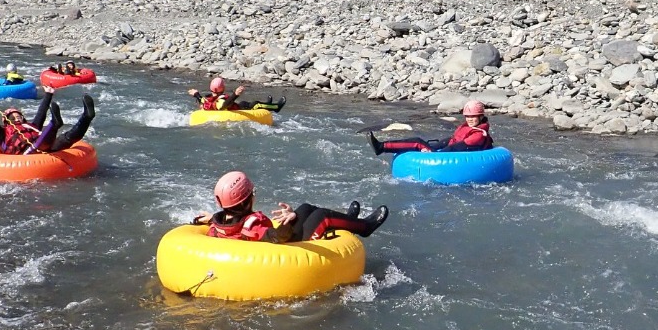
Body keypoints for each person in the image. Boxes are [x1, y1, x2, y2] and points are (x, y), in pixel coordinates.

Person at [191, 171, 387, 243]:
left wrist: (210, 218)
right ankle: (364, 227)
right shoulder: (253, 226)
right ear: (246, 201)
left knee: (306, 208)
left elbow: (229, 226)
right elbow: (277, 237)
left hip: (275, 240)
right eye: (253, 193)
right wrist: (289, 221)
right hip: (288, 246)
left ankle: (348, 221)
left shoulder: (219, 223)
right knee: (323, 216)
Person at [0, 89, 96, 154]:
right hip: (27, 152)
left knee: (68, 137)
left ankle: (87, 117)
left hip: (46, 147)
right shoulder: (1, 134)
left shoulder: (31, 126)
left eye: (19, 116)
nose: (17, 118)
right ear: (7, 121)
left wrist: (48, 94)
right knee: (40, 143)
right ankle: (54, 124)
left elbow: (41, 113)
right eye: (12, 118)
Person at [367, 100, 493, 155]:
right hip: (451, 150)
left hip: (451, 155)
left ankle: (381, 147)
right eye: (468, 116)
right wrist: (435, 146)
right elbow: (452, 140)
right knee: (422, 144)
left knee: (418, 142)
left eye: (473, 116)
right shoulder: (467, 127)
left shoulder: (478, 135)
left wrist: (434, 154)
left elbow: (456, 147)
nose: (470, 119)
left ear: (481, 117)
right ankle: (383, 147)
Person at [187, 76, 285, 113]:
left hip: (236, 107)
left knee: (243, 103)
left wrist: (196, 94)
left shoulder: (207, 98)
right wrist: (235, 94)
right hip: (235, 111)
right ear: (223, 88)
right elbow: (225, 105)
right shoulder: (220, 100)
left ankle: (267, 105)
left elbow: (200, 99)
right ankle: (276, 107)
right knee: (256, 104)